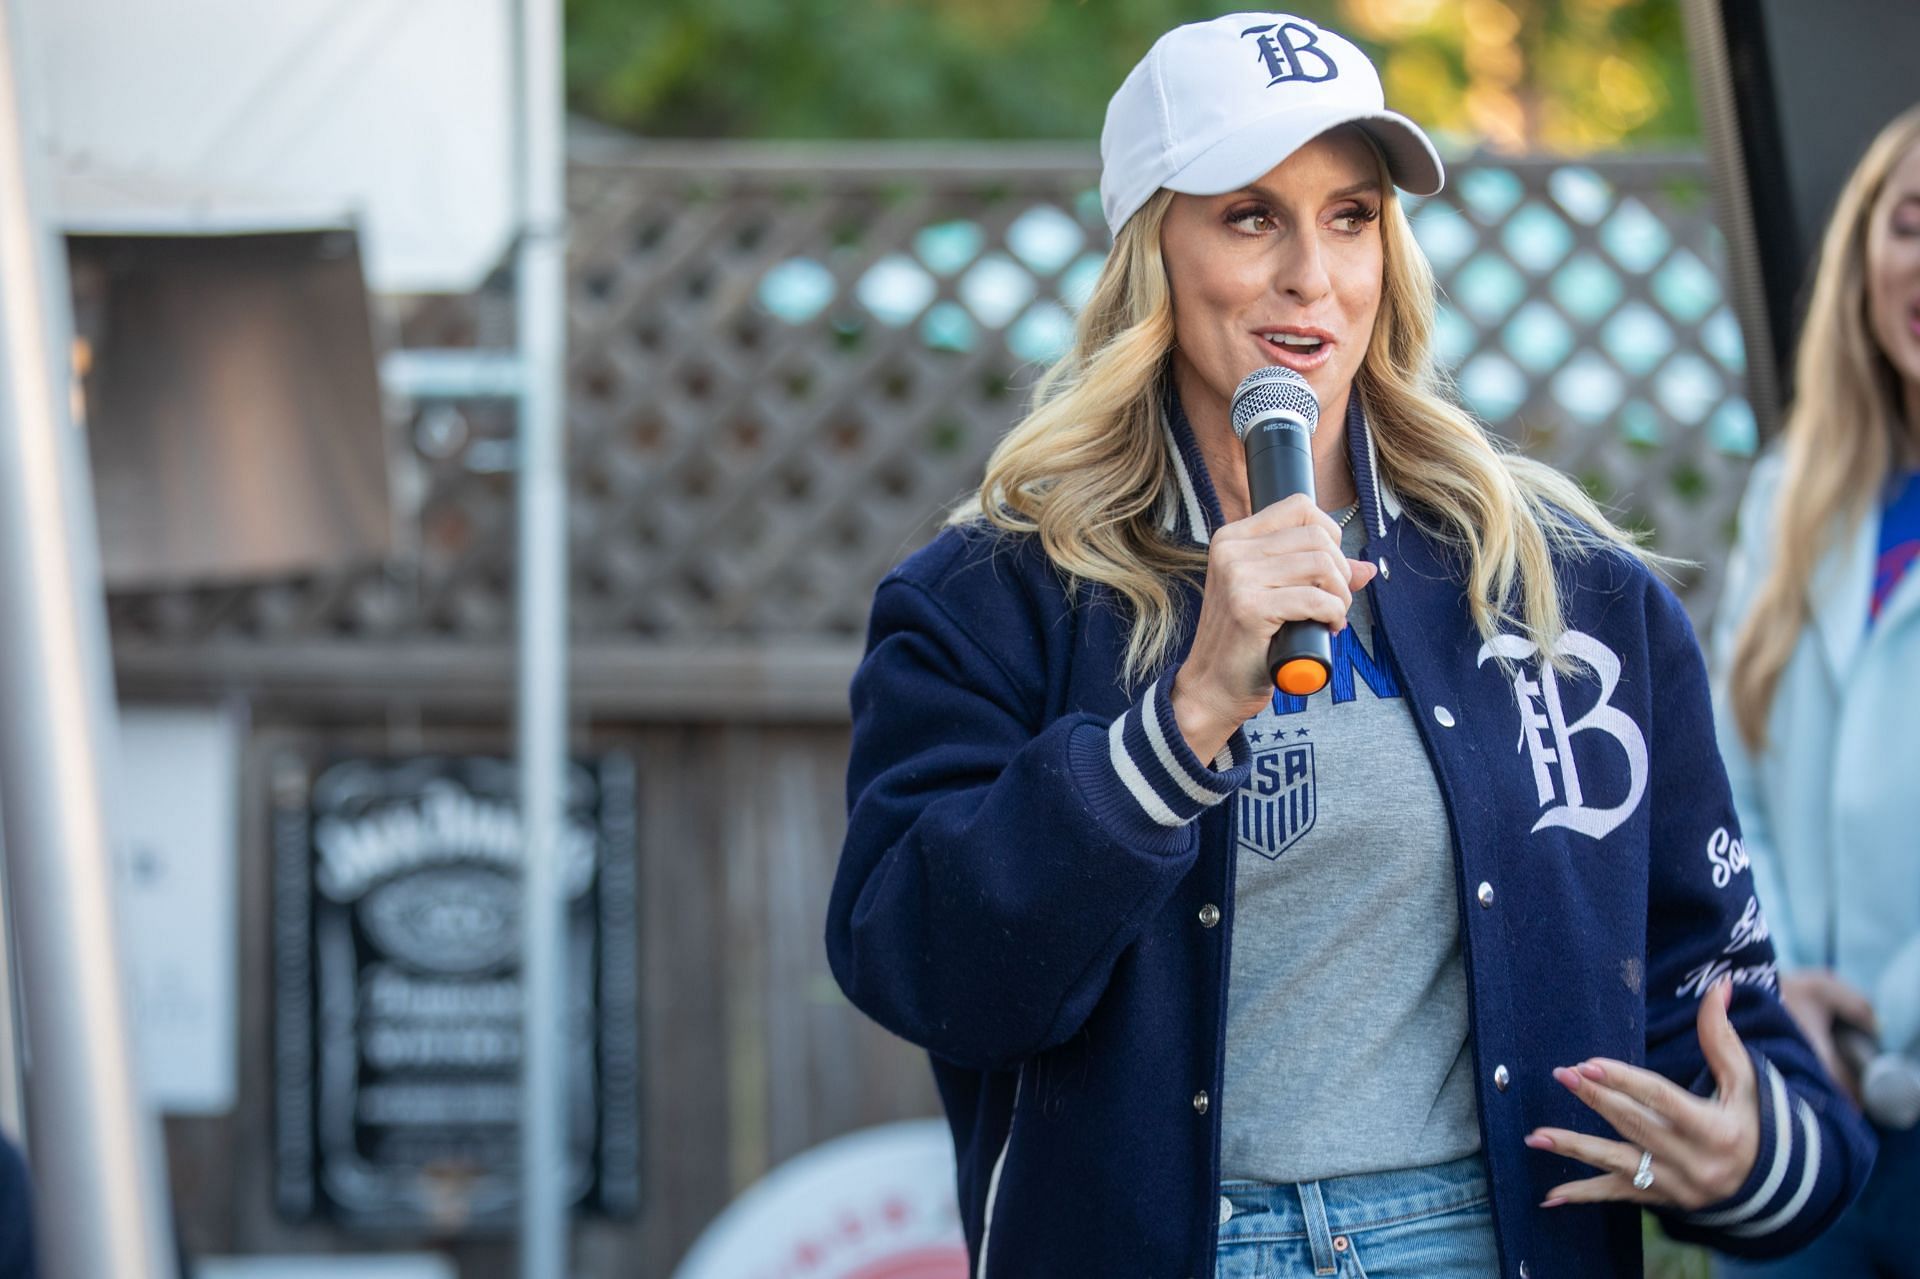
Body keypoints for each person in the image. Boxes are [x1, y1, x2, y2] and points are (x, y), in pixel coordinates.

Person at [825, 14, 1873, 1278]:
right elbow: (924, 969)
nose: (1310, 276)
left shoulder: (1562, 587)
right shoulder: (991, 595)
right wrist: (1182, 720)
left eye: (1352, 214)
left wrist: (1752, 1158)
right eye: (1252, 216)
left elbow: (1721, 1013)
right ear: (1153, 249)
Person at [1710, 102, 1920, 1279]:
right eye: (1911, 221)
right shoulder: (1792, 493)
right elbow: (1729, 775)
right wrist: (1779, 980)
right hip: (1804, 1106)